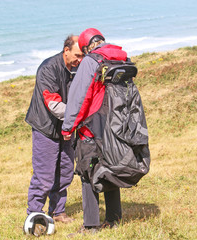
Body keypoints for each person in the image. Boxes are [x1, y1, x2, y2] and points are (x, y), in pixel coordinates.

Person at [62, 28, 129, 233]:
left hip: (91, 127)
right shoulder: (121, 58)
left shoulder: (91, 61)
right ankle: (114, 219)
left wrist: (68, 126)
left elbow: (79, 98)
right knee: (109, 169)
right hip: (116, 126)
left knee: (87, 172)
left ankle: (91, 225)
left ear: (86, 46)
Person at [25, 35, 84, 223]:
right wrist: (78, 116)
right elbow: (54, 104)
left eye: (82, 56)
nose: (79, 60)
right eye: (77, 55)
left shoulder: (77, 68)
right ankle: (34, 214)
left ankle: (58, 212)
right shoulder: (48, 68)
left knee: (65, 172)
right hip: (46, 128)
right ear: (66, 50)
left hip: (67, 128)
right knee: (44, 176)